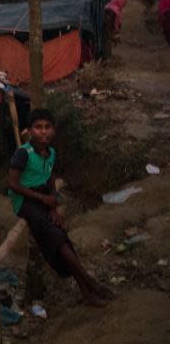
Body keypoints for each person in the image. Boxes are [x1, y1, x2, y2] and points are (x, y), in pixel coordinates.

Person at [7, 109, 113, 307]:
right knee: (56, 239)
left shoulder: (51, 153)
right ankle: (90, 283)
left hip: (43, 199)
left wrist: (53, 205)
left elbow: (49, 178)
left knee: (62, 239)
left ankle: (87, 291)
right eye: (38, 127)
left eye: (47, 127)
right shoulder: (23, 153)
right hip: (25, 200)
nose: (43, 132)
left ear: (53, 130)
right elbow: (12, 184)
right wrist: (42, 199)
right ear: (30, 131)